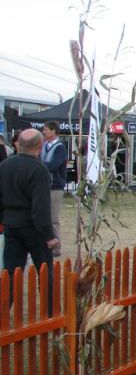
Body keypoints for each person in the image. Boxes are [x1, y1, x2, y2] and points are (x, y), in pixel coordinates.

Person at [0, 129, 59, 301]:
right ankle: (51, 312)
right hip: (34, 229)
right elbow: (40, 207)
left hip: (11, 225)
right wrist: (49, 236)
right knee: (44, 270)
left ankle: (3, 311)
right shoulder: (38, 169)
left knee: (11, 271)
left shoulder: (4, 166)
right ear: (40, 147)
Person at [40, 121, 66, 258]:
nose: (44, 132)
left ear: (53, 131)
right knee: (43, 216)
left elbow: (54, 165)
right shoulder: (44, 146)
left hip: (55, 187)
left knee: (53, 218)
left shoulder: (60, 147)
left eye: (46, 130)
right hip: (44, 186)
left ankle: (57, 248)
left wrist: (39, 164)